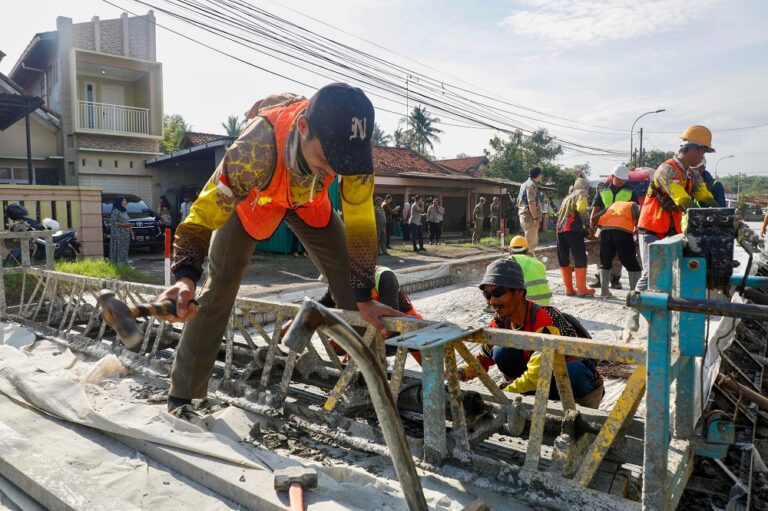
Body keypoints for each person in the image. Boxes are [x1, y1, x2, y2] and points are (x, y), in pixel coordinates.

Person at [157, 83, 403, 415]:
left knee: (352, 282)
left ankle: (369, 384)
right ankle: (183, 395)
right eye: (327, 159)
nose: (334, 171)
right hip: (254, 202)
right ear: (303, 127)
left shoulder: (355, 154)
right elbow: (203, 214)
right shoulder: (254, 149)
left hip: (308, 203)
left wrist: (363, 298)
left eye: (341, 163)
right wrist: (185, 278)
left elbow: (360, 221)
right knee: (220, 284)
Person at [457, 259, 604, 409]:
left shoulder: (544, 319)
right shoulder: (500, 322)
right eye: (487, 295)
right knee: (500, 350)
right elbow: (483, 358)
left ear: (520, 292)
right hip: (539, 384)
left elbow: (536, 375)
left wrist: (503, 395)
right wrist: (459, 373)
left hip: (573, 385)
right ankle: (525, 398)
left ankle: (576, 414)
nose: (492, 301)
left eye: (498, 293)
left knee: (572, 371)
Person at [625, 125, 719, 339]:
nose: (703, 156)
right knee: (651, 272)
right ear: (692, 149)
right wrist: (700, 212)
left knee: (674, 275)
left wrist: (719, 212)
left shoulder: (692, 175)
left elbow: (704, 195)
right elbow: (681, 198)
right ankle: (633, 311)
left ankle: (665, 317)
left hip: (672, 230)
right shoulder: (666, 169)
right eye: (703, 151)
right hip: (651, 227)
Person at [589, 164, 640, 292]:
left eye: (624, 179)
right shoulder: (602, 189)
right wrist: (592, 225)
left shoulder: (630, 191)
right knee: (604, 256)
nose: (622, 181)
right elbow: (596, 207)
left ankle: (617, 280)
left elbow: (636, 210)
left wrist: (636, 229)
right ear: (612, 176)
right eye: (619, 179)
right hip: (605, 226)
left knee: (624, 257)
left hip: (623, 227)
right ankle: (602, 285)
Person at [594, 200, 642, 297]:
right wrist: (637, 236)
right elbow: (640, 221)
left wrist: (596, 232)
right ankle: (634, 294)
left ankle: (604, 292)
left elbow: (595, 218)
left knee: (605, 261)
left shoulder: (613, 205)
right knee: (632, 263)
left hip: (605, 232)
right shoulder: (635, 206)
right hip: (623, 232)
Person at [556, 177, 594, 297]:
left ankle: (569, 289)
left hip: (560, 230)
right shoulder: (581, 193)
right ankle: (582, 289)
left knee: (563, 259)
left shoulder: (567, 197)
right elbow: (581, 209)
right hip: (572, 229)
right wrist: (587, 226)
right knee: (580, 257)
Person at [508, 235, 553, 304]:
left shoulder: (511, 260)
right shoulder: (538, 263)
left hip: (528, 303)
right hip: (545, 301)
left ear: (510, 250)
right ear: (527, 250)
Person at [518, 167, 543, 252]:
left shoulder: (523, 185)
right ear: (538, 175)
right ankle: (524, 260)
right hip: (530, 217)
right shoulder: (531, 185)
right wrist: (536, 218)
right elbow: (531, 202)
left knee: (528, 243)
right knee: (530, 245)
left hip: (523, 215)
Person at [109, 196, 133, 264]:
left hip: (125, 234)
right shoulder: (115, 210)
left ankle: (124, 262)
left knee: (125, 247)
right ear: (119, 202)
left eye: (125, 201)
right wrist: (125, 225)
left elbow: (127, 221)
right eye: (123, 201)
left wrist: (131, 231)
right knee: (118, 247)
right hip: (118, 233)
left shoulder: (124, 210)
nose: (125, 202)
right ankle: (117, 263)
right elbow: (114, 223)